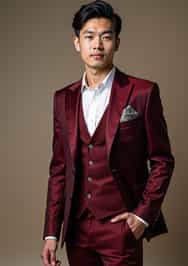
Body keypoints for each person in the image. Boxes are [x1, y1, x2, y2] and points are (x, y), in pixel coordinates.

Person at [40, 1, 175, 265]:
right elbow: (59, 169)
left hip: (121, 227)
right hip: (77, 230)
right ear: (77, 43)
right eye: (89, 36)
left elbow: (162, 161)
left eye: (106, 37)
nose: (97, 45)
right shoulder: (62, 99)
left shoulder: (143, 93)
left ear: (117, 42)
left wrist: (142, 216)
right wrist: (51, 233)